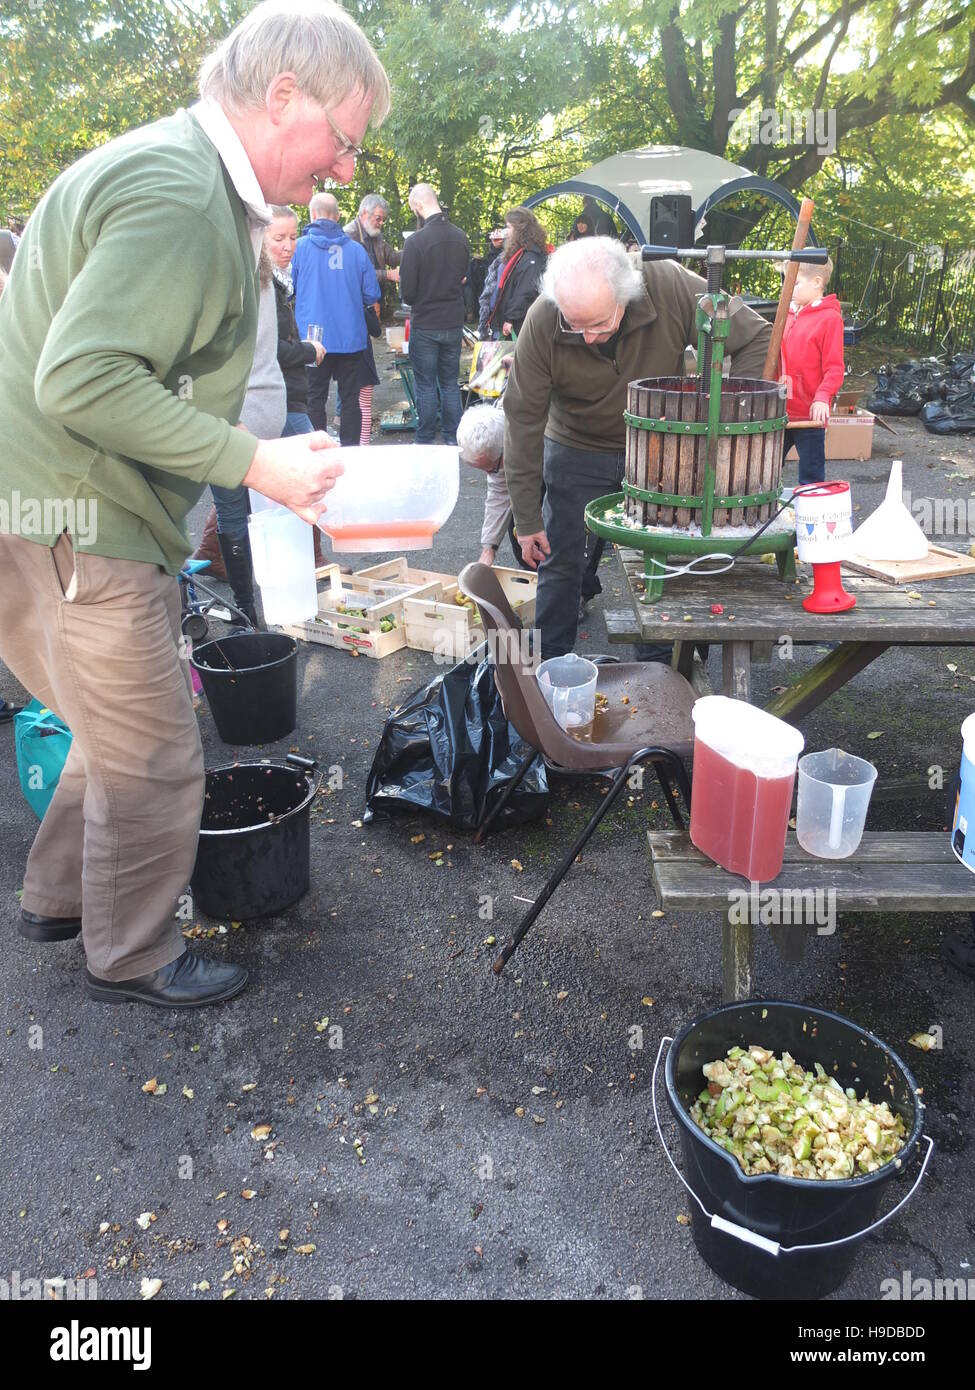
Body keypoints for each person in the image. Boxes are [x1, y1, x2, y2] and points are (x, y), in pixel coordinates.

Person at [0, 0, 389, 1009]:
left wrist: (248, 449)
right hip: (82, 520)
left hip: (44, 508)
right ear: (282, 94)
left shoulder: (177, 170)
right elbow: (81, 379)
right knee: (161, 754)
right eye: (345, 141)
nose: (346, 171)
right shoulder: (181, 191)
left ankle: (54, 898)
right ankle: (128, 957)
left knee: (102, 724)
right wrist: (252, 464)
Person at [502, 236, 772, 659]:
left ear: (626, 294)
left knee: (666, 553)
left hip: (660, 446)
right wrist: (525, 517)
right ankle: (551, 670)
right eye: (576, 326)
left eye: (599, 324)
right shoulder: (543, 319)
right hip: (576, 444)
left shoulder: (670, 284)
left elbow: (756, 335)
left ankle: (666, 670)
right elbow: (521, 420)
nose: (588, 338)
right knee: (560, 557)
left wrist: (724, 415)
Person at [292, 190, 381, 445]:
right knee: (351, 399)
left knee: (314, 398)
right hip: (351, 338)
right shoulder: (356, 250)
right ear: (339, 216)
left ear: (312, 214)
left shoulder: (299, 248)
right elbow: (371, 293)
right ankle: (350, 454)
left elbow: (288, 289)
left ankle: (320, 452)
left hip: (312, 340)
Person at [399, 182, 471, 446]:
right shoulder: (460, 236)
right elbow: (464, 276)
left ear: (418, 206)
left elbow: (407, 292)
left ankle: (425, 439)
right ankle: (454, 438)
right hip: (453, 320)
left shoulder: (415, 242)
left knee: (426, 385)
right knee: (450, 383)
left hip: (426, 322)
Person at [779, 257, 845, 485]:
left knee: (811, 475)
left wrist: (822, 397)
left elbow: (834, 368)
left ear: (817, 282)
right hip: (780, 411)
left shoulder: (830, 319)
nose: (788, 288)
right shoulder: (785, 315)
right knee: (765, 467)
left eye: (794, 283)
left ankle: (810, 516)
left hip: (809, 416)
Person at [483, 206, 548, 340]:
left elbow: (525, 291)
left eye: (509, 227)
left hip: (515, 323)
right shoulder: (517, 252)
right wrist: (495, 249)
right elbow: (493, 276)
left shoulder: (531, 257)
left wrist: (511, 318)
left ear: (520, 230)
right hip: (501, 318)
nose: (506, 231)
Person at [343, 193, 400, 317]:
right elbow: (356, 273)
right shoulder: (348, 236)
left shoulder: (374, 233)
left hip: (372, 299)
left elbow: (392, 257)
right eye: (378, 218)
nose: (381, 223)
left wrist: (414, 246)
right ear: (364, 213)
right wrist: (388, 274)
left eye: (383, 219)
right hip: (355, 303)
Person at [477, 227, 508, 336]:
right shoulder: (497, 256)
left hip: (507, 314)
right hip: (495, 313)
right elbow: (491, 272)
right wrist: (495, 248)